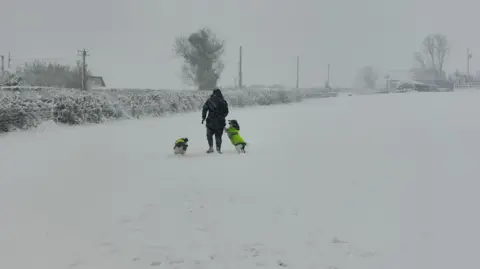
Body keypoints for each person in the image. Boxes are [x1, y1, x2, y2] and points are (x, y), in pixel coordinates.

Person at [201, 88, 229, 153]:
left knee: (209, 135)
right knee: (218, 136)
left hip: (210, 121)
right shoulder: (223, 101)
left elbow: (204, 109)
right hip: (220, 122)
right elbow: (226, 111)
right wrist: (222, 116)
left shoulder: (209, 100)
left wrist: (203, 117)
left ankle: (211, 147)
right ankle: (218, 148)